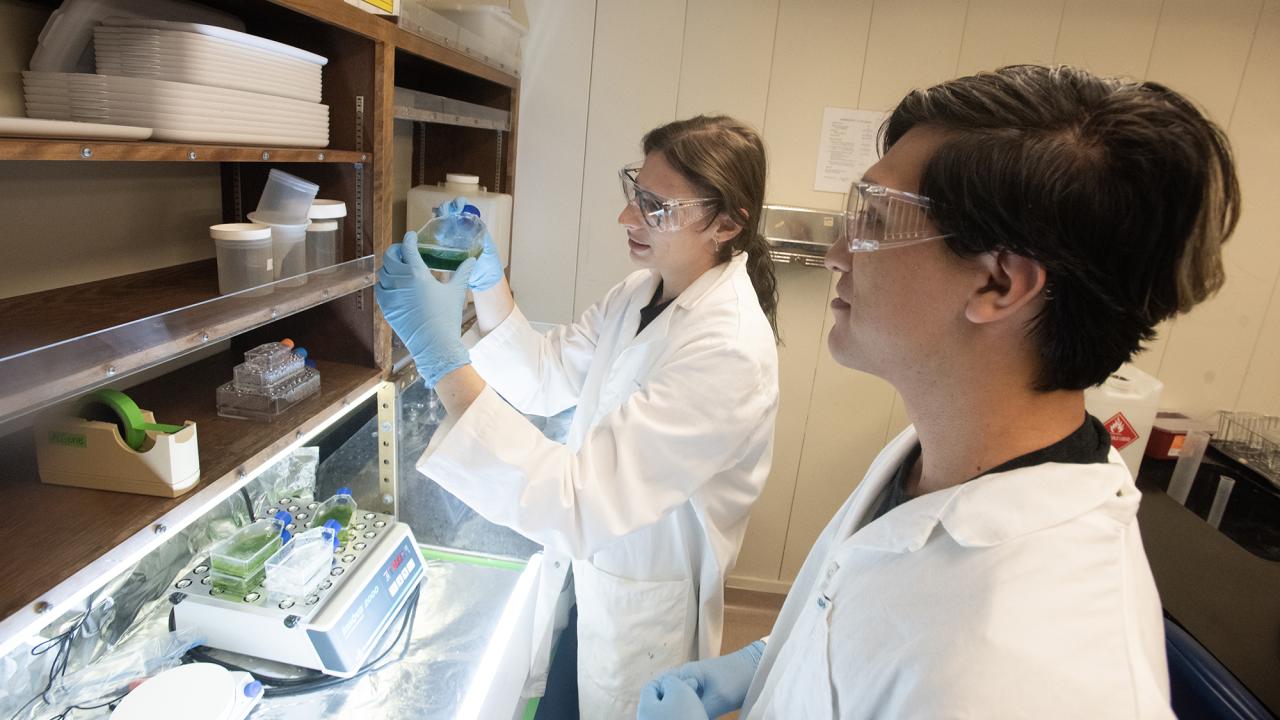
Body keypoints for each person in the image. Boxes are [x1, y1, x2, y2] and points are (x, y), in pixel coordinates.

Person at [640, 65, 1240, 719]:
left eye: (872, 218)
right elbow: (891, 610)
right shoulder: (943, 451)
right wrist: (772, 658)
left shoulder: (1031, 678)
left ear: (999, 285)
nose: (839, 252)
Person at [375, 115, 782, 719]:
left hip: (641, 611)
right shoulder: (639, 292)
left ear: (725, 224)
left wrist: (438, 356)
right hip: (586, 578)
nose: (627, 217)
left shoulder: (729, 348)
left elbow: (579, 503)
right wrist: (489, 279)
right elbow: (544, 376)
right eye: (633, 193)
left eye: (655, 206)